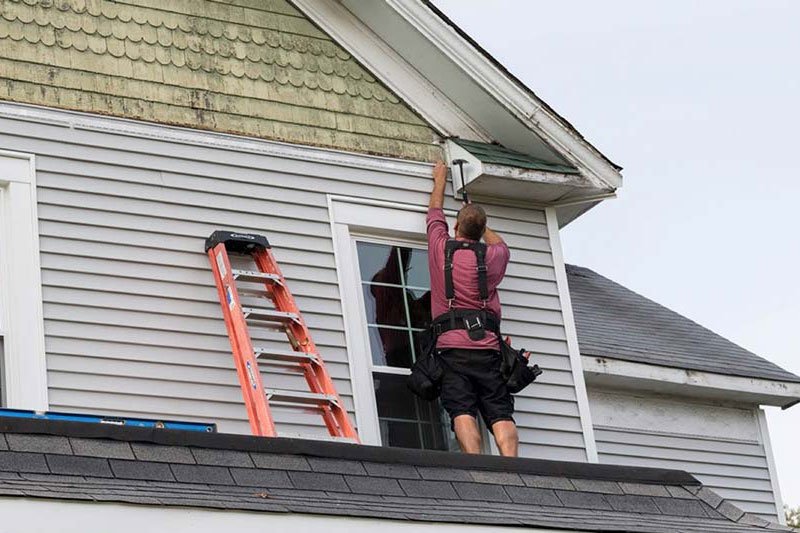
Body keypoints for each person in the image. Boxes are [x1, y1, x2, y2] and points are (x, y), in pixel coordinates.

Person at [426, 160, 518, 457]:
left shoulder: (441, 249)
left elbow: (434, 213)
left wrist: (440, 180)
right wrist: (478, 221)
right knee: (500, 411)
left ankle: (474, 464)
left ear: (456, 227)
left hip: (452, 348)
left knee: (461, 409)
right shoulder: (492, 257)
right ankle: (512, 464)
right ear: (480, 231)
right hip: (488, 349)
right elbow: (501, 245)